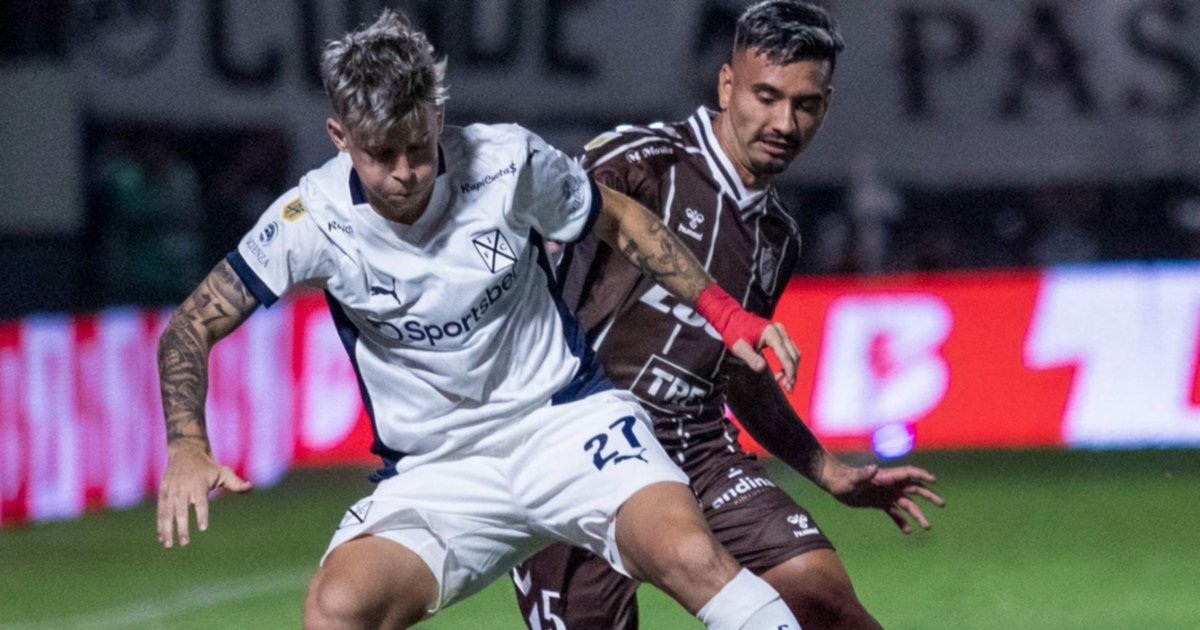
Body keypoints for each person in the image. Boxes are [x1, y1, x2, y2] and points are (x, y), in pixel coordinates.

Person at [154, 8, 808, 630]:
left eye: (419, 146)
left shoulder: (507, 162)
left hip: (564, 426)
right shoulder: (309, 220)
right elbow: (190, 327)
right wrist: (186, 443)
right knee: (338, 608)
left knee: (691, 557)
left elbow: (623, 220)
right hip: (438, 472)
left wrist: (727, 315)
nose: (406, 173)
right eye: (381, 154)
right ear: (340, 137)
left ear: (439, 117)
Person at [512, 2, 945, 629]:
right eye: (766, 97)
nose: (784, 123)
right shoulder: (640, 164)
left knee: (821, 597)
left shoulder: (777, 236)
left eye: (805, 105)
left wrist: (827, 471)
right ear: (725, 85)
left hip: (696, 450)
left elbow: (735, 372)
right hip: (575, 451)